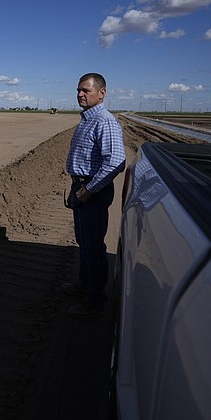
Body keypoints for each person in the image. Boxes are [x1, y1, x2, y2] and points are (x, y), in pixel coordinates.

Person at [64, 73, 125, 319]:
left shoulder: (104, 121)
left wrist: (88, 190)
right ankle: (84, 284)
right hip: (81, 186)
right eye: (79, 90)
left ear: (102, 93)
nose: (80, 94)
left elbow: (116, 162)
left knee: (93, 246)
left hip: (93, 190)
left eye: (86, 90)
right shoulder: (88, 119)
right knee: (83, 241)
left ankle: (95, 301)